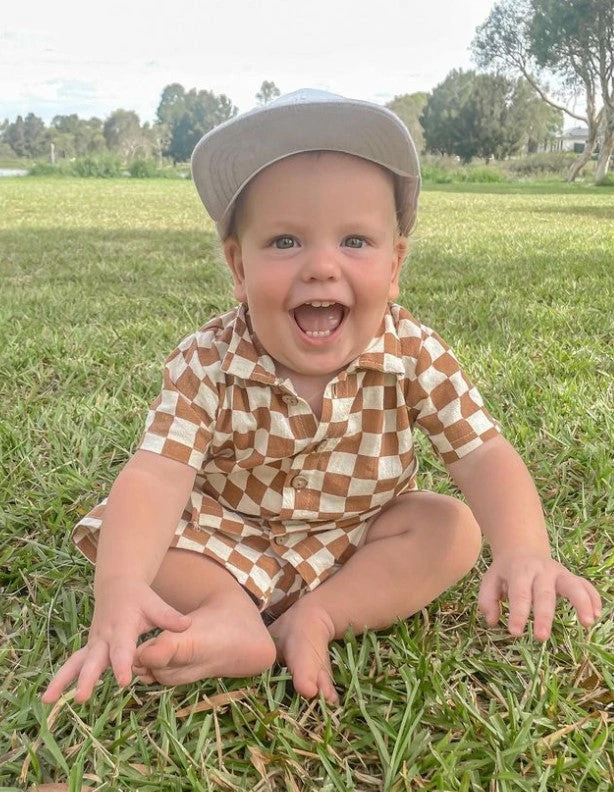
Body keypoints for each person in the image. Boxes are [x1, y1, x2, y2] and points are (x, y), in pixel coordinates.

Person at [42, 89, 601, 706]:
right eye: (285, 242)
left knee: (450, 530)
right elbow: (157, 474)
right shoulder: (208, 360)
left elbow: (482, 453)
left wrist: (525, 550)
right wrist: (120, 587)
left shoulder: (413, 352)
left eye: (355, 241)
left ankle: (320, 615)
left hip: (358, 544)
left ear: (395, 266)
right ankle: (228, 613)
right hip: (226, 540)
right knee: (129, 530)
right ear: (238, 267)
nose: (321, 266)